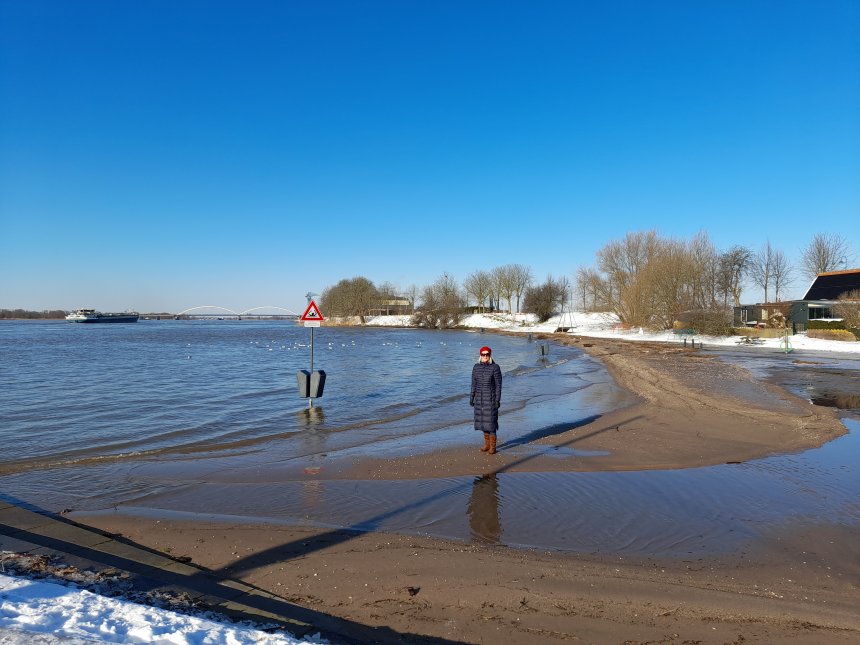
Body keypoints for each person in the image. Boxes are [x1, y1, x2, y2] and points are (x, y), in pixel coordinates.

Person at [470, 345, 502, 454]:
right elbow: (473, 384)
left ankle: (493, 447)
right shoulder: (476, 367)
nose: (485, 356)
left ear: (490, 355)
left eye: (487, 354)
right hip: (479, 400)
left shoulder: (495, 367)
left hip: (490, 399)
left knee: (491, 423)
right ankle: (487, 445)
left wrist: (497, 400)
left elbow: (498, 385)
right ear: (480, 355)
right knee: (483, 423)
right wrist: (472, 397)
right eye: (483, 354)